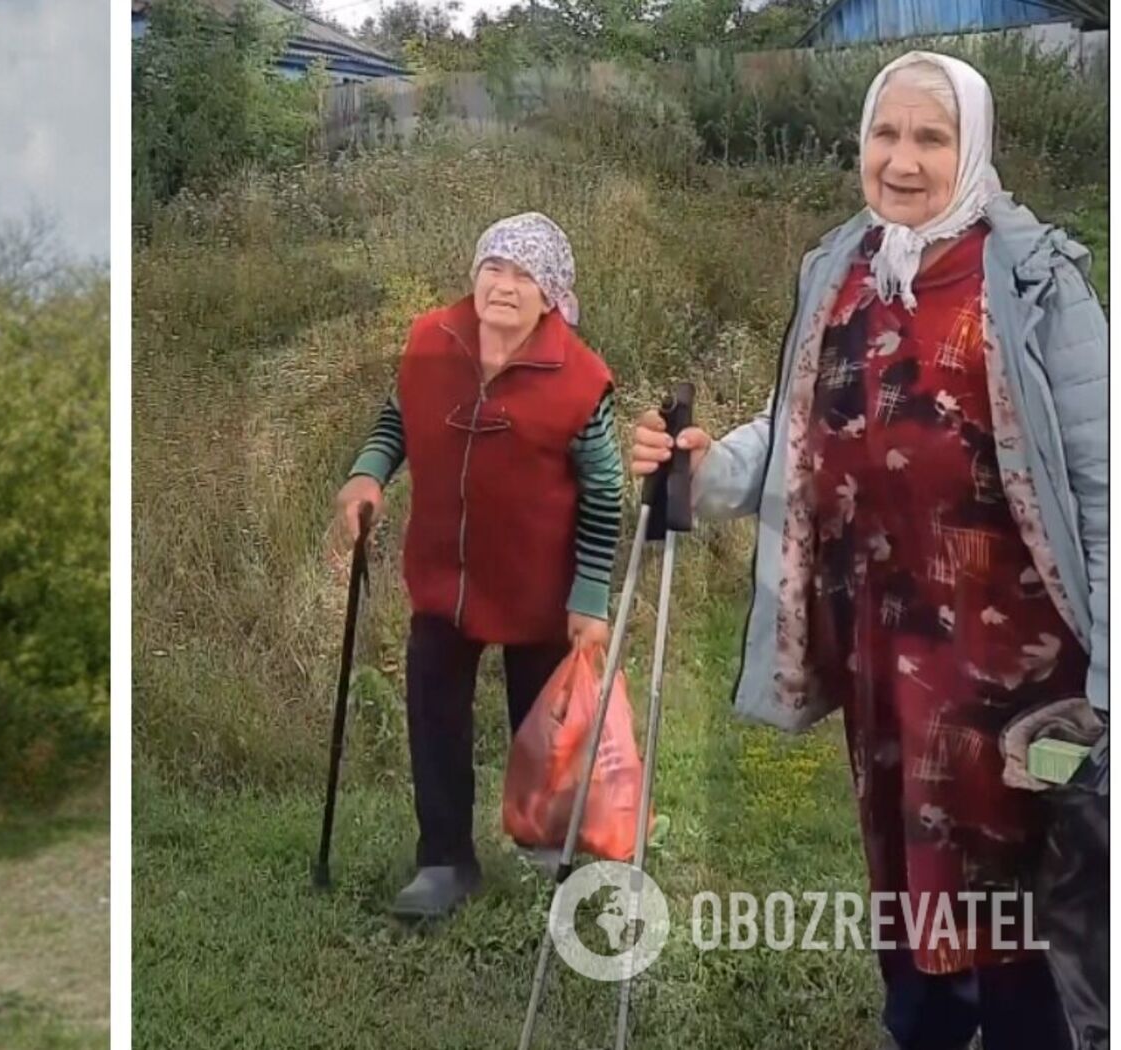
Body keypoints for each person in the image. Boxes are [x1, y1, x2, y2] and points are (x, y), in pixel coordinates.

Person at [629, 51, 1107, 1050]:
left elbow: (1104, 491)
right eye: (885, 134)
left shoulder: (1035, 283)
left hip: (1018, 676)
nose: (901, 160)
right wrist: (702, 467)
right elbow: (798, 429)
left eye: (930, 137)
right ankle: (923, 1027)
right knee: (901, 870)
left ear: (972, 146)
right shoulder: (841, 264)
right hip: (883, 655)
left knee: (1026, 903)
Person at [334, 212, 625, 920]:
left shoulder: (581, 380)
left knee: (541, 726)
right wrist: (368, 475)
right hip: (444, 577)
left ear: (552, 295)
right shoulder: (432, 341)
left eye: (524, 274)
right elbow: (397, 418)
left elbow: (607, 488)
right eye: (493, 267)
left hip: (537, 586)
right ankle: (444, 862)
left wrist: (588, 596)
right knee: (435, 716)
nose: (503, 284)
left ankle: (543, 856)